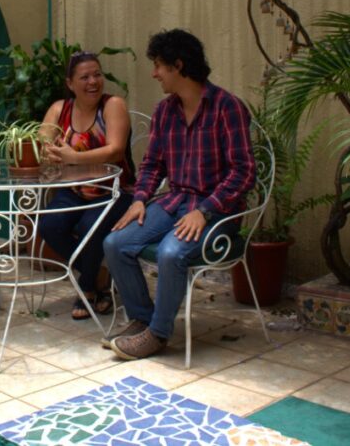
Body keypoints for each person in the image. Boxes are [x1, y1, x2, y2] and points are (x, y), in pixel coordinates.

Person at [103, 29, 256, 360]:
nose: (154, 73)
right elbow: (152, 164)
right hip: (174, 202)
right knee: (115, 243)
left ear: (179, 65)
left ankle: (157, 335)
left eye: (159, 65)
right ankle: (142, 319)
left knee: (171, 253)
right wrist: (141, 198)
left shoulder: (227, 107)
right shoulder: (164, 111)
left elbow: (244, 172)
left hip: (218, 212)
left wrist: (206, 209)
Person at [38, 51, 135, 320]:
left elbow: (115, 151)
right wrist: (47, 150)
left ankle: (87, 286)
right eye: (84, 77)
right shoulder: (60, 109)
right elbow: (42, 142)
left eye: (97, 74)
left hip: (114, 191)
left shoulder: (112, 105)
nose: (93, 81)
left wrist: (74, 157)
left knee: (88, 226)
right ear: (70, 84)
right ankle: (97, 276)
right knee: (48, 225)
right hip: (74, 191)